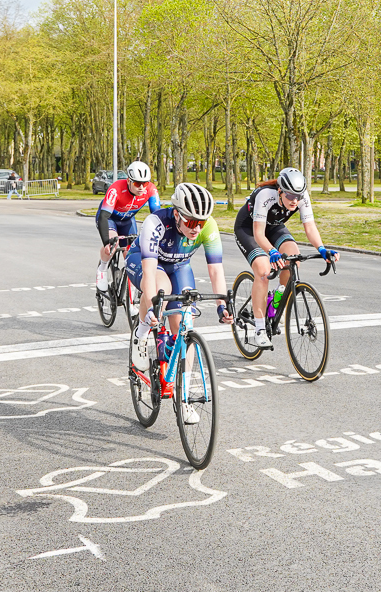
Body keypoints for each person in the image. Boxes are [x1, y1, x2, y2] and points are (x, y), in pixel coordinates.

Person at [126, 182, 233, 423]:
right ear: (176, 214)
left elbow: (216, 270)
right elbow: (150, 272)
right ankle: (140, 335)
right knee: (161, 289)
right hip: (144, 261)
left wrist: (222, 305)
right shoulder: (155, 223)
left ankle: (183, 397)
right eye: (192, 222)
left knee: (185, 323)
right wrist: (152, 307)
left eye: (201, 222)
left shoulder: (208, 226)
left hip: (179, 266)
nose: (197, 228)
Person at [233, 167, 339, 349]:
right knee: (263, 271)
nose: (294, 200)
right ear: (280, 191)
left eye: (298, 196)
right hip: (249, 229)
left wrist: (321, 248)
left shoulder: (301, 197)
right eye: (290, 196)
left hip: (274, 226)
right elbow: (259, 234)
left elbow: (310, 227)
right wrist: (272, 252)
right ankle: (259, 329)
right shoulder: (266, 195)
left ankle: (277, 299)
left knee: (294, 258)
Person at [95, 161, 160, 293]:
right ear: (129, 181)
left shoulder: (151, 190)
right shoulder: (116, 189)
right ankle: (102, 269)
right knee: (113, 244)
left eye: (145, 183)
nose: (141, 187)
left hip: (128, 220)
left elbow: (157, 216)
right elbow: (104, 217)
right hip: (110, 219)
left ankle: (131, 291)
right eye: (137, 183)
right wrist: (107, 242)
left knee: (131, 253)